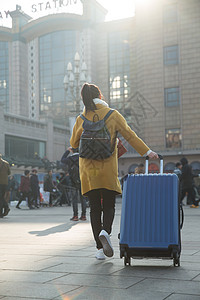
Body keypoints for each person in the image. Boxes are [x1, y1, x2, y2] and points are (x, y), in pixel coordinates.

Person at [70, 83, 158, 260]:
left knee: (94, 208)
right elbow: (130, 135)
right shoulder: (112, 114)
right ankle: (106, 232)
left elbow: (73, 143)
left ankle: (100, 250)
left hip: (89, 170)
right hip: (107, 169)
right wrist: (147, 152)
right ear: (100, 96)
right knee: (109, 205)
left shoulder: (81, 117)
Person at [61, 148, 87, 221]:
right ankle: (83, 215)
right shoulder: (82, 158)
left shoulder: (69, 159)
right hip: (82, 180)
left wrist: (67, 151)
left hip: (72, 181)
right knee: (83, 199)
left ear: (72, 151)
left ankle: (75, 216)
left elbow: (62, 159)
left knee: (74, 199)